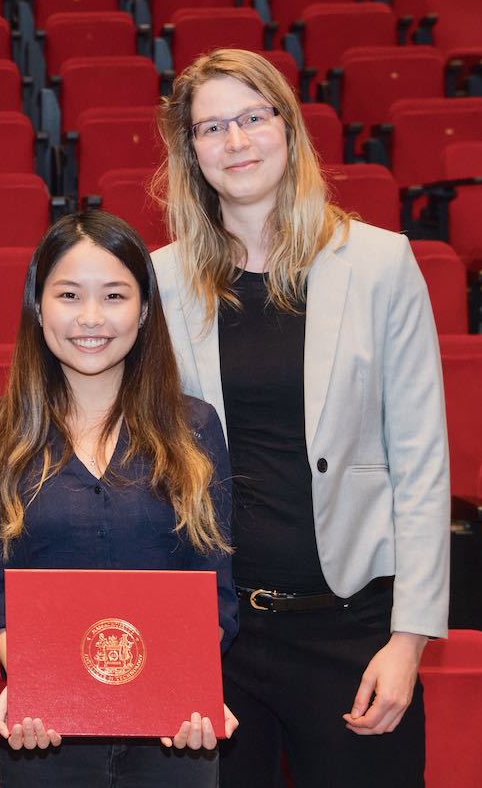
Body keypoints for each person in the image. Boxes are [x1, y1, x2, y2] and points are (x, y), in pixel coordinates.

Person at [151, 48, 451, 788]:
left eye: (254, 118)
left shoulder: (381, 264)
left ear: (288, 128)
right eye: (212, 127)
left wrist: (407, 642)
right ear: (190, 151)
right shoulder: (159, 279)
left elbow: (420, 462)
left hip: (350, 630)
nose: (236, 142)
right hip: (217, 634)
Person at [0, 210, 239, 787]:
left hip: (175, 736)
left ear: (143, 311)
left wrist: (190, 685)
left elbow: (214, 588)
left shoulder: (194, 428)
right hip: (43, 735)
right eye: (69, 295)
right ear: (38, 307)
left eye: (114, 295)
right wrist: (35, 681)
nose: (90, 317)